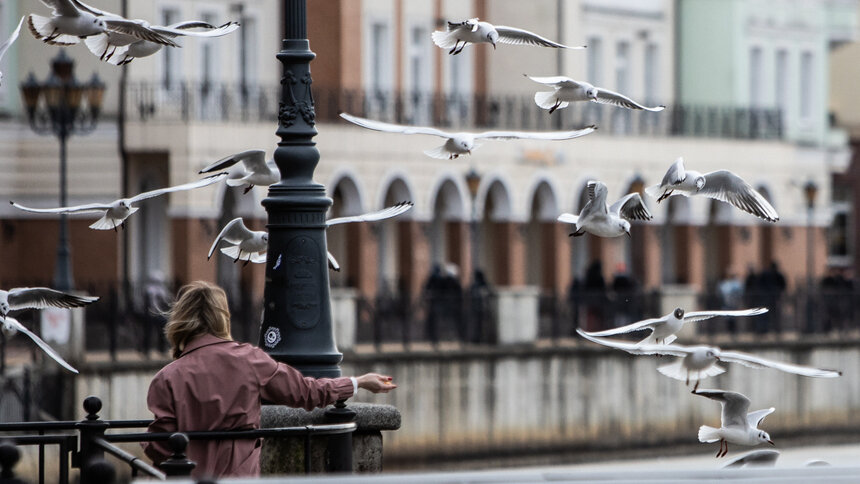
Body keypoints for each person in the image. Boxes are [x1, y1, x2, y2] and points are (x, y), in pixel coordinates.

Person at [142, 281, 397, 479]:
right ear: (222, 317)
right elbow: (306, 392)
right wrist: (358, 382)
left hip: (188, 479)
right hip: (240, 478)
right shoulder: (249, 360)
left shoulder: (166, 377)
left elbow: (159, 445)